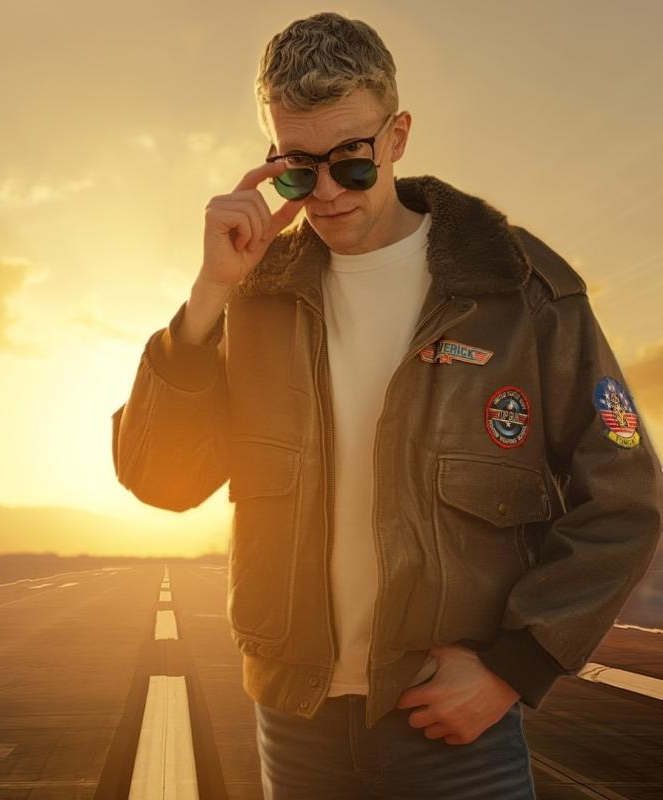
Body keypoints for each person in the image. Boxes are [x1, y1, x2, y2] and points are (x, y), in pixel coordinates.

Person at [111, 11, 663, 799]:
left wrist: (514, 668)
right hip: (295, 721)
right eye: (298, 169)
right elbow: (158, 479)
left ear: (397, 136)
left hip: (453, 726)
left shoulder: (521, 292)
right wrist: (207, 300)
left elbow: (627, 497)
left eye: (351, 162)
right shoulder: (254, 296)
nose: (327, 192)